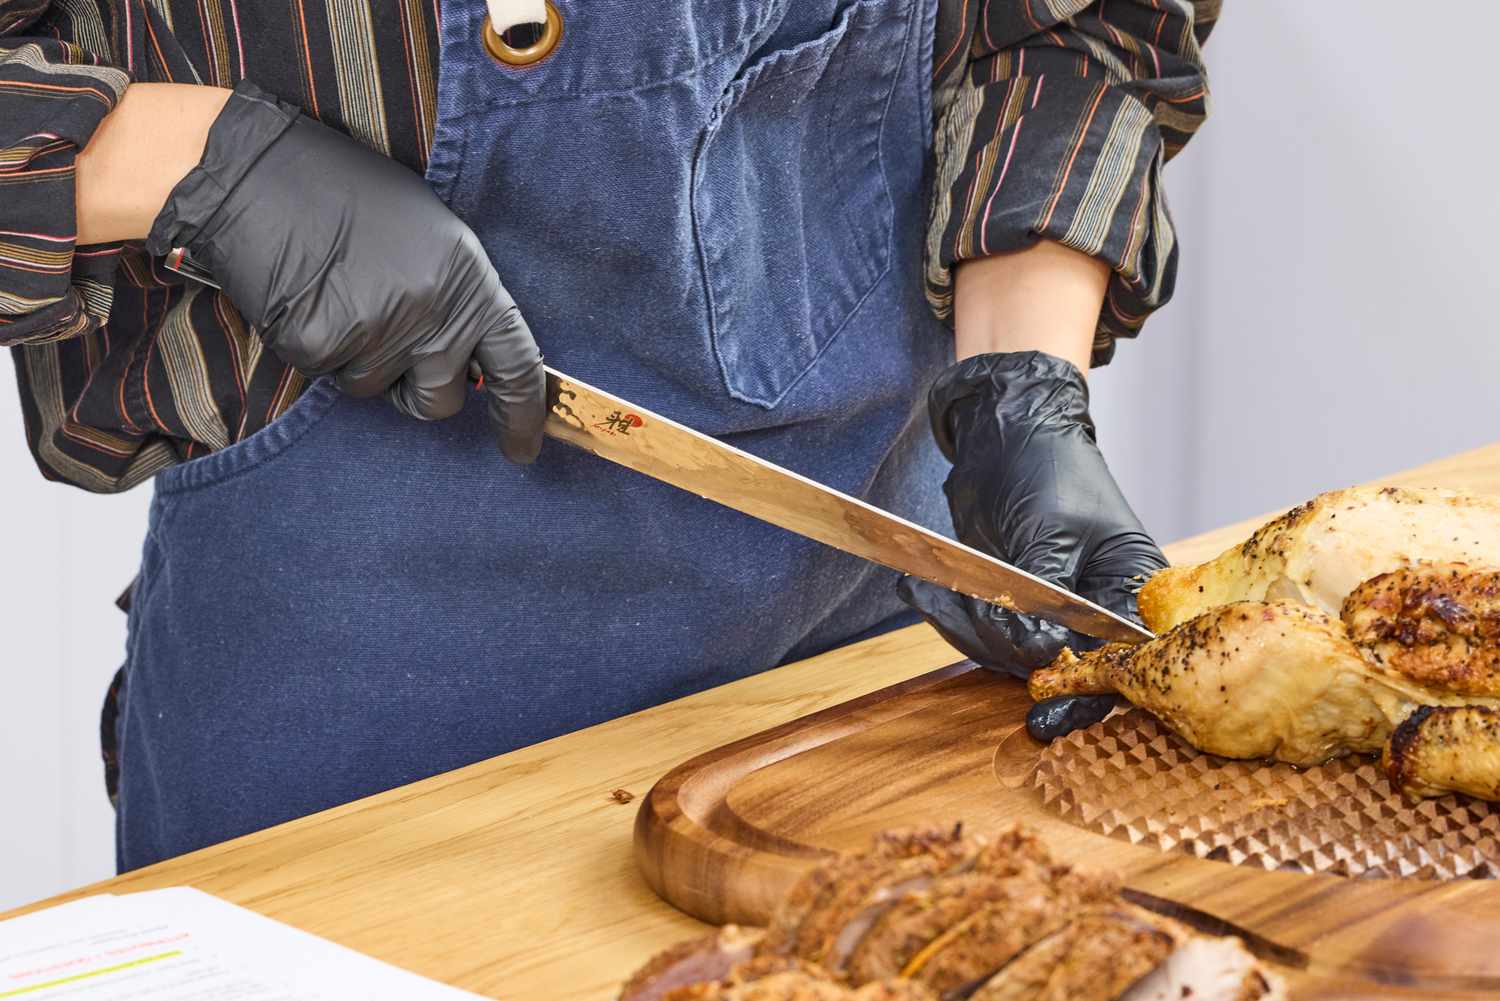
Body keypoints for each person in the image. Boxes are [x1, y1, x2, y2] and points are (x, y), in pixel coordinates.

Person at [2, 0, 1215, 870]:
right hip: (349, 698)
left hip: (876, 643)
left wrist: (1020, 385)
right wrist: (197, 167)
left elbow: (1078, 26)